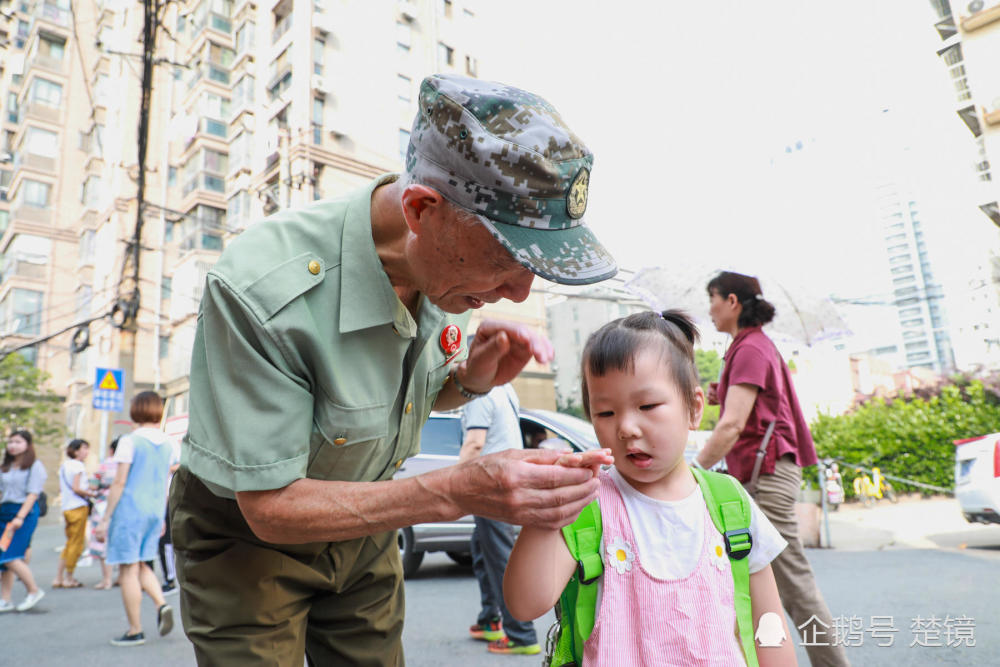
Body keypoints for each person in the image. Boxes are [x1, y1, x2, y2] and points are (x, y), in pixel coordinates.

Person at [169, 73, 617, 666]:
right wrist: (457, 491)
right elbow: (268, 505)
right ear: (422, 209)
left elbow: (394, 400)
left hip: (366, 527)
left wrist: (471, 379)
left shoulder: (442, 271)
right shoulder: (261, 292)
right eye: (508, 258)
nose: (518, 291)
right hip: (247, 543)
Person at [504, 311, 793, 665]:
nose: (626, 427)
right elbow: (524, 604)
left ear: (694, 408)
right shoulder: (588, 503)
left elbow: (769, 622)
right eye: (605, 413)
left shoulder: (729, 502)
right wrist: (550, 506)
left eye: (647, 406)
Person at [696, 271, 849, 667]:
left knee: (793, 585)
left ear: (732, 302)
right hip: (762, 474)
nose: (708, 308)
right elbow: (748, 410)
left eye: (711, 298)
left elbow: (731, 425)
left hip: (767, 476)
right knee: (745, 582)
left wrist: (693, 469)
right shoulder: (748, 348)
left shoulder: (750, 349)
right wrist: (720, 389)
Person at [459, 383, 541, 656]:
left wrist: (456, 482)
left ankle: (522, 634)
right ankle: (489, 619)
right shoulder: (505, 389)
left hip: (491, 485)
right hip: (503, 481)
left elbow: (475, 442)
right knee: (481, 550)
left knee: (500, 558)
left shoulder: (479, 393)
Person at [95, 392, 177, 647]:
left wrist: (105, 518)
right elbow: (165, 480)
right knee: (143, 563)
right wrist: (162, 513)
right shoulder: (169, 443)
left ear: (135, 410)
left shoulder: (129, 441)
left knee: (128, 569)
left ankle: (135, 630)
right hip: (154, 510)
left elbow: (119, 482)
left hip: (130, 510)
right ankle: (161, 604)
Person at [0, 429, 47, 612]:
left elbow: (33, 494)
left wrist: (20, 517)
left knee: (10, 555)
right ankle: (5, 599)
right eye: (10, 442)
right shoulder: (6, 466)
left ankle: (33, 590)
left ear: (28, 445)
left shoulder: (35, 466)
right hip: (5, 511)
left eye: (18, 442)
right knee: (4, 559)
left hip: (23, 513)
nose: (13, 445)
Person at [53, 439, 95, 589]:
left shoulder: (65, 465)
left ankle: (58, 577)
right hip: (78, 506)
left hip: (67, 506)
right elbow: (77, 488)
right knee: (76, 544)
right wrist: (91, 493)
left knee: (69, 542)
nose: (86, 452)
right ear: (76, 450)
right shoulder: (78, 466)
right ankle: (68, 577)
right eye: (84, 448)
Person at [89, 437, 120, 589]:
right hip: (123, 505)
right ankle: (121, 576)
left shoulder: (105, 465)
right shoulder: (129, 465)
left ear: (111, 450)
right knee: (119, 540)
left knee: (102, 542)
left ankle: (106, 579)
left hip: (103, 505)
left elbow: (93, 486)